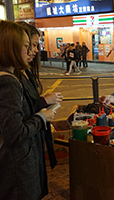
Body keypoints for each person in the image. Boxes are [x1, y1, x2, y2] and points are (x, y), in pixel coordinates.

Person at [0, 20, 56, 200]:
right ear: (11, 48)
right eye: (27, 46)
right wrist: (42, 117)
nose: (32, 51)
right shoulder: (8, 81)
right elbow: (15, 132)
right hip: (17, 165)